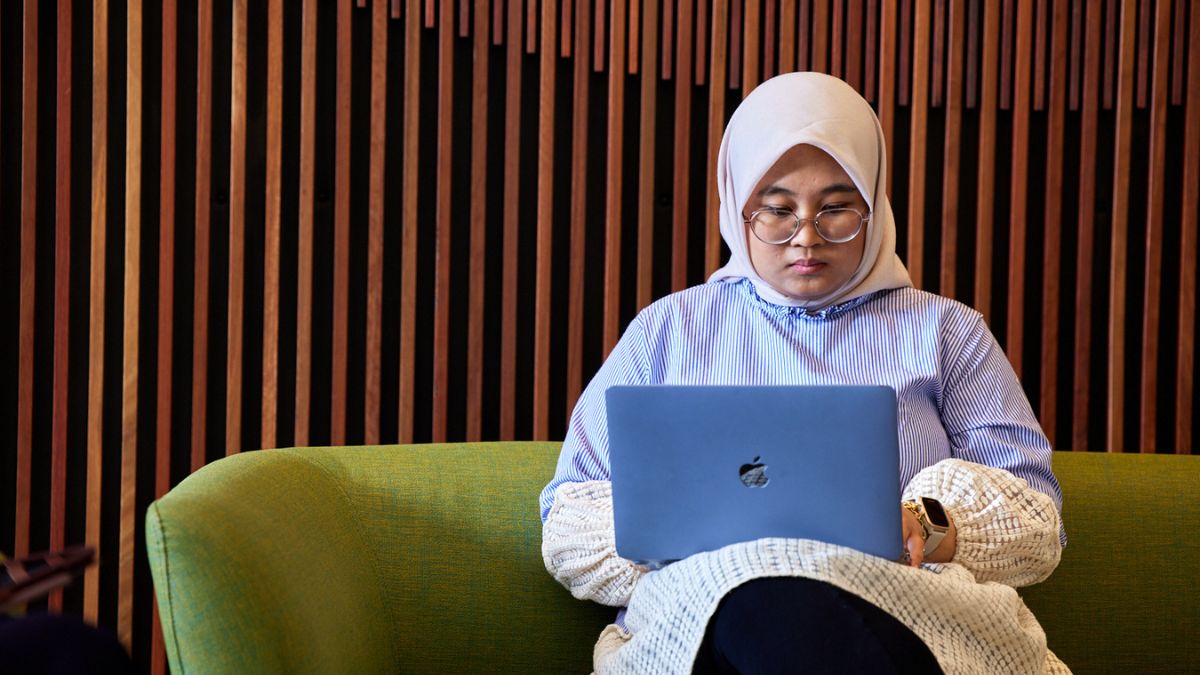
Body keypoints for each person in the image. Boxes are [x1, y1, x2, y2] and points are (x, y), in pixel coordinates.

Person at [539, 72, 1068, 674]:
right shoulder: (669, 330)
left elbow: (1035, 526)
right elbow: (568, 523)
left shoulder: (947, 331)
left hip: (901, 601)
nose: (805, 239)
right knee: (763, 604)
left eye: (837, 209)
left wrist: (925, 524)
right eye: (777, 210)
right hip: (709, 604)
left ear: (874, 205)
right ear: (738, 207)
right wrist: (690, 527)